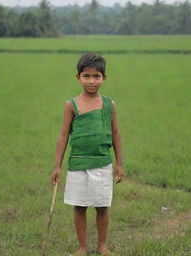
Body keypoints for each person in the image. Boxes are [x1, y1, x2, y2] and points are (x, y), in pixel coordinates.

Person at [51, 53, 124, 256]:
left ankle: (102, 246)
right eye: (86, 76)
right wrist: (57, 166)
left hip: (102, 163)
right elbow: (63, 135)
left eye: (96, 76)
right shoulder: (71, 105)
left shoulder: (110, 105)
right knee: (79, 206)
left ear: (104, 78)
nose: (91, 81)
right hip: (77, 164)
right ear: (78, 77)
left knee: (102, 206)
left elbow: (116, 133)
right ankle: (82, 247)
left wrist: (120, 163)